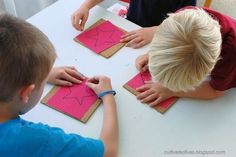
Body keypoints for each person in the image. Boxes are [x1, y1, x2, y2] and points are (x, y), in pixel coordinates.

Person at [0, 14, 118, 157]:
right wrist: (108, 96)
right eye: (43, 80)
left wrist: (40, 74)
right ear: (27, 93)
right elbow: (108, 151)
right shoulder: (37, 140)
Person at [135, 7, 236, 106]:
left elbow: (216, 91)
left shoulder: (230, 55)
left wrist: (171, 91)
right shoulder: (183, 17)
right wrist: (152, 55)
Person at [71, 0, 196, 49]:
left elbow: (184, 22)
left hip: (161, 37)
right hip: (129, 26)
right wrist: (85, 6)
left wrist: (155, 31)